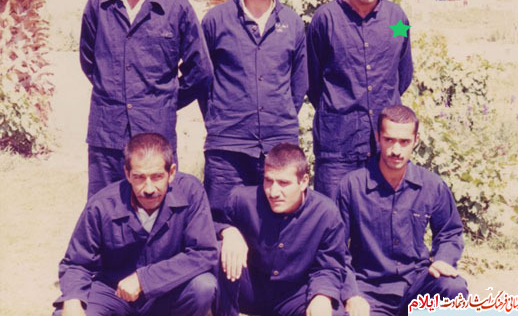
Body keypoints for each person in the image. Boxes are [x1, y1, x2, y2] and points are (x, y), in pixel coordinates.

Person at [80, 0, 213, 198]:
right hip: (107, 133)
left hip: (155, 135)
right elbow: (89, 61)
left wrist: (163, 101)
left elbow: (200, 70)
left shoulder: (176, 8)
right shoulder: (99, 3)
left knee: (158, 210)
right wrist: (114, 90)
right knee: (104, 208)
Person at [201, 0, 308, 222]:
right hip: (227, 146)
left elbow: (299, 85)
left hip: (278, 146)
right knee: (221, 223)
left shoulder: (293, 24)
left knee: (276, 226)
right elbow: (203, 81)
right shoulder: (216, 20)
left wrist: (278, 118)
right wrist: (220, 118)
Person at [52, 132, 218, 316]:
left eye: (157, 177)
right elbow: (76, 263)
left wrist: (144, 279)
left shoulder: (191, 192)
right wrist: (73, 300)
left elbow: (204, 252)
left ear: (171, 173)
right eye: (139, 177)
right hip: (114, 292)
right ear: (127, 174)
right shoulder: (102, 205)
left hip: (167, 290)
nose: (149, 189)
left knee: (203, 286)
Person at [337, 105, 468, 316]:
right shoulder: (352, 186)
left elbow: (450, 232)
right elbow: (336, 249)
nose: (396, 150)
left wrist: (443, 259)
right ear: (378, 138)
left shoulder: (432, 185)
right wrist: (352, 295)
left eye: (404, 142)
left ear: (416, 141)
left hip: (416, 284)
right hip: (369, 289)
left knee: (453, 288)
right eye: (389, 140)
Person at [307, 0, 413, 199]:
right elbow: (312, 81)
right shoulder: (325, 19)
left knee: (379, 218)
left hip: (384, 148)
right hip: (336, 147)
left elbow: (403, 75)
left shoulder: (397, 20)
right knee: (333, 217)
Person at [215, 143, 346, 316]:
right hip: (250, 288)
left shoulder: (326, 214)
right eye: (268, 180)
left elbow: (329, 266)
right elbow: (208, 224)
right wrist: (227, 231)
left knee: (331, 312)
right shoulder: (241, 199)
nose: (273, 192)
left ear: (304, 182)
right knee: (219, 250)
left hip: (294, 295)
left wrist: (322, 295)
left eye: (284, 183)